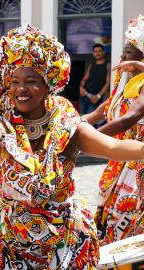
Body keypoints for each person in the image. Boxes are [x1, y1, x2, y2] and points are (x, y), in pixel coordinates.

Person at [0, 24, 144, 269]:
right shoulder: (4, 120)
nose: (21, 89)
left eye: (30, 81)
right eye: (15, 81)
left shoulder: (66, 123)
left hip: (63, 242)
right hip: (9, 243)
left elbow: (113, 147)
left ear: (48, 83)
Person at [90, 15, 144, 246]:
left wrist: (86, 138)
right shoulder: (128, 81)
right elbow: (108, 107)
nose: (121, 57)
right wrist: (82, 120)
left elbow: (129, 118)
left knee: (129, 231)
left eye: (128, 53)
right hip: (120, 164)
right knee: (108, 224)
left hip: (138, 168)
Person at [79, 43, 111, 116]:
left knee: (90, 120)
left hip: (95, 99)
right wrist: (81, 88)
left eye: (99, 51)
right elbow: (84, 79)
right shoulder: (92, 65)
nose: (97, 53)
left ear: (103, 52)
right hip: (84, 97)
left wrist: (98, 96)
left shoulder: (108, 65)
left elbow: (107, 83)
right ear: (93, 53)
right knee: (81, 118)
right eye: (95, 51)